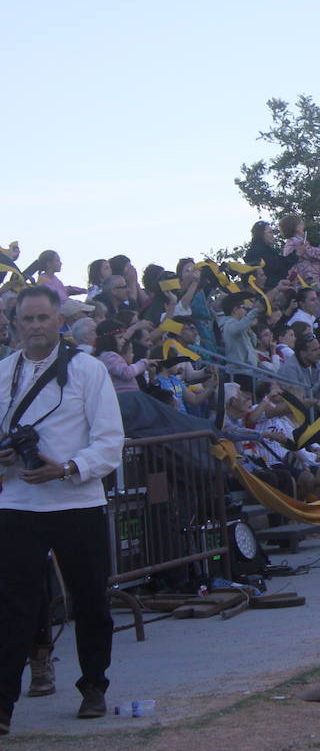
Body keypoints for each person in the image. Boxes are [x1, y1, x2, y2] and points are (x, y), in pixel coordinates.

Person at [1, 287, 125, 733]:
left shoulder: (87, 370)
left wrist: (68, 468)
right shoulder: (3, 373)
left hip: (77, 501)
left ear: (59, 322)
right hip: (18, 503)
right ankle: (3, 704)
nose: (35, 326)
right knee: (13, 605)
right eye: (26, 319)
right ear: (14, 323)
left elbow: (110, 441)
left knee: (91, 599)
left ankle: (94, 685)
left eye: (42, 318)